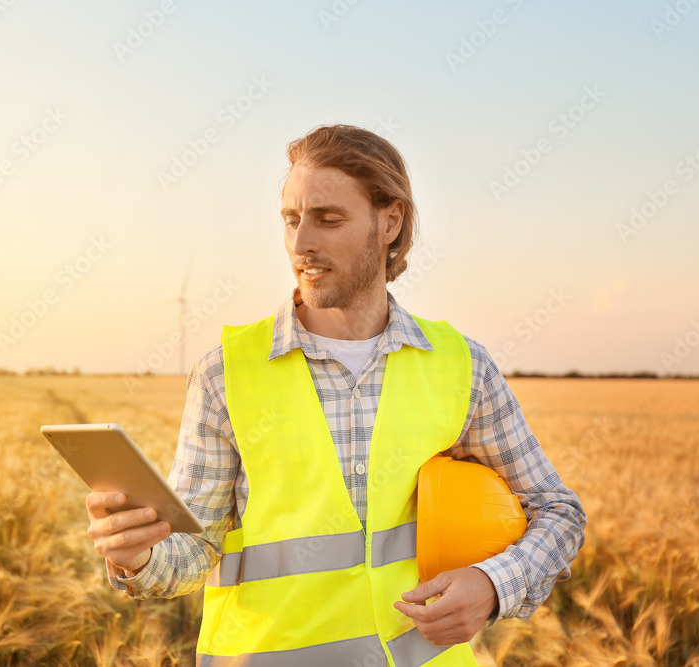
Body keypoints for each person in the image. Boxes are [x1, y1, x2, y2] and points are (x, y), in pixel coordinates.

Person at [86, 123, 587, 666]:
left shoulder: (463, 367)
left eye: (328, 219)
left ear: (390, 221)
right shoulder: (224, 375)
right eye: (291, 220)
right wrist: (136, 557)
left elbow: (558, 511)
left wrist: (493, 586)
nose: (301, 244)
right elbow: (191, 554)